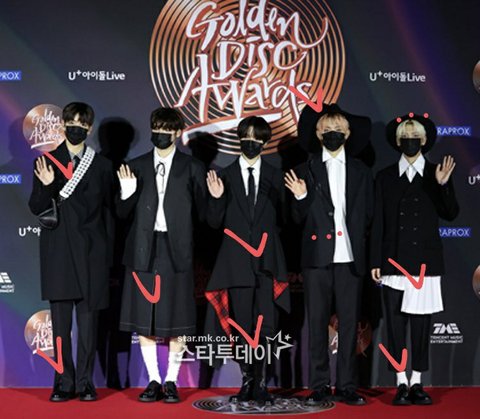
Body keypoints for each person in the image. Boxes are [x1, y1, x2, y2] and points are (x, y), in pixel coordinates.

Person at [284, 104, 373, 406]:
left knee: (349, 323)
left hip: (350, 258)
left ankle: (347, 385)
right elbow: (295, 218)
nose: (332, 134)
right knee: (317, 321)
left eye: (338, 130)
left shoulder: (362, 171)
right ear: (318, 134)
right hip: (317, 258)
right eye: (327, 130)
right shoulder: (304, 170)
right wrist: (301, 196)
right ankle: (319, 384)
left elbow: (369, 216)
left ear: (347, 134)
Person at [117, 107, 207, 403]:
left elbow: (205, 216)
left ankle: (171, 380)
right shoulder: (136, 166)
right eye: (157, 128)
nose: (161, 134)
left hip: (177, 250)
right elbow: (120, 213)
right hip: (143, 249)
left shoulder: (192, 167)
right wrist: (127, 192)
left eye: (167, 129)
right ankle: (153, 379)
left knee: (177, 317)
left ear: (178, 133)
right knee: (144, 317)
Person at [370, 113, 459, 405]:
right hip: (394, 262)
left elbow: (451, 213)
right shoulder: (384, 176)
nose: (410, 141)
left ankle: (417, 381)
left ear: (424, 140)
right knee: (395, 325)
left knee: (421, 326)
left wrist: (443, 184)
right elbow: (378, 222)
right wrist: (376, 261)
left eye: (415, 137)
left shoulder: (436, 173)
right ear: (398, 142)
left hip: (424, 265)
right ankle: (400, 382)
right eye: (405, 137)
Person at [28, 102, 114, 402]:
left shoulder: (102, 165)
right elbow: (36, 207)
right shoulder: (46, 161)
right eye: (72, 122)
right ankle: (63, 382)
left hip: (92, 253)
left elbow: (109, 213)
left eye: (82, 123)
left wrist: (107, 256)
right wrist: (48, 186)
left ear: (89, 128)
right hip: (60, 252)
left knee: (89, 324)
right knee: (61, 323)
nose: (77, 127)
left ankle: (85, 382)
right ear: (63, 125)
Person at [205, 116, 290, 404]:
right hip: (235, 263)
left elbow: (288, 220)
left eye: (257, 138)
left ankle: (262, 381)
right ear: (239, 139)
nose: (251, 143)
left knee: (265, 326)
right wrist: (217, 198)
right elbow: (213, 223)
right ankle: (247, 380)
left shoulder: (277, 176)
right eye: (246, 137)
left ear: (265, 142)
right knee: (241, 325)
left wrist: (299, 197)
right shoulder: (223, 176)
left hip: (267, 263)